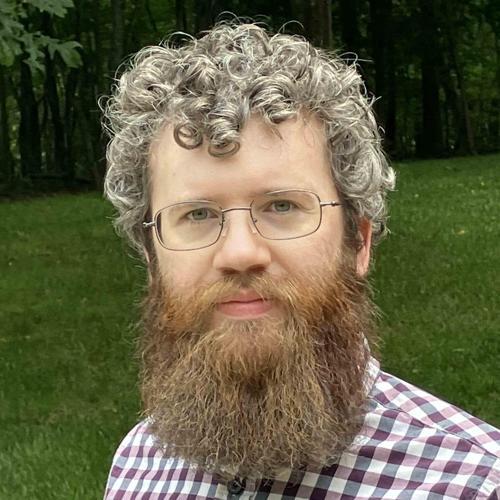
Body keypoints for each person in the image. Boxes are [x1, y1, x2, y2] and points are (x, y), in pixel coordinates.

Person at [101, 22, 500, 499]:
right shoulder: (139, 463)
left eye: (282, 206)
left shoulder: (476, 484)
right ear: (150, 256)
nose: (240, 252)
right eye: (198, 214)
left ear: (358, 242)